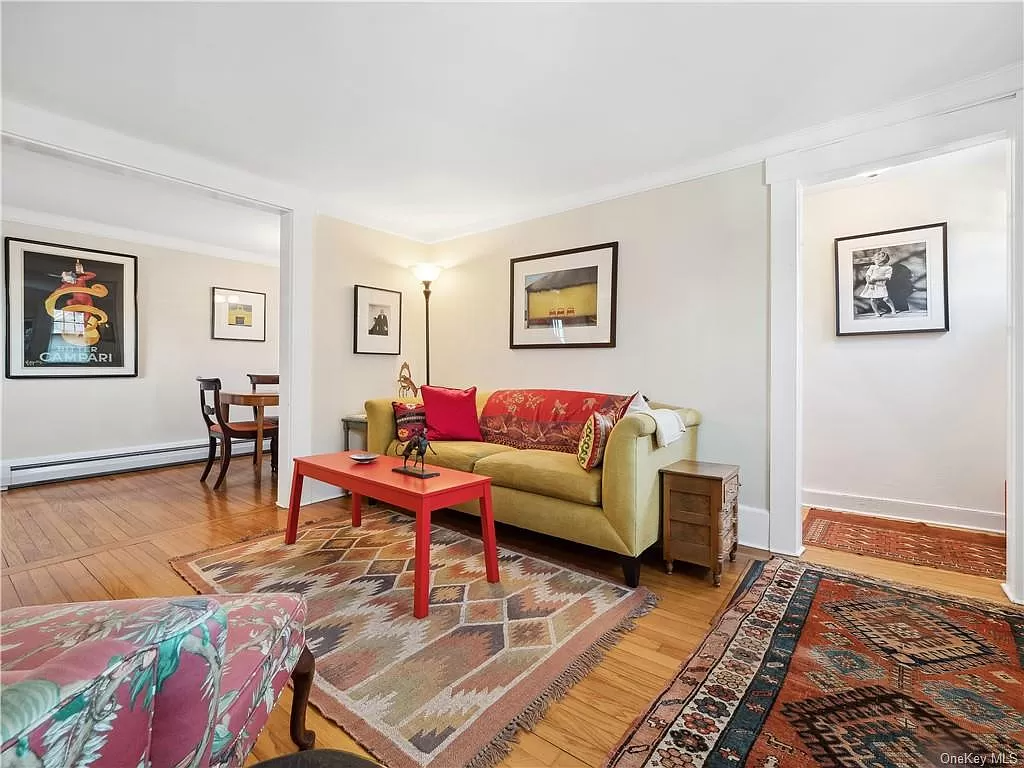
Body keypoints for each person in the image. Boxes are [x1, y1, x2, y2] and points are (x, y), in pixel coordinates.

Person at [859, 250, 899, 317]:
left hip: (881, 285)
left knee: (886, 298)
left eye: (880, 260)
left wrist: (877, 278)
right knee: (873, 299)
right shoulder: (872, 267)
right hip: (872, 285)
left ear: (885, 261)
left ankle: (893, 309)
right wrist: (868, 281)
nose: (877, 261)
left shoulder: (888, 268)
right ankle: (876, 312)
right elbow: (867, 275)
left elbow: (887, 277)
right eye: (876, 259)